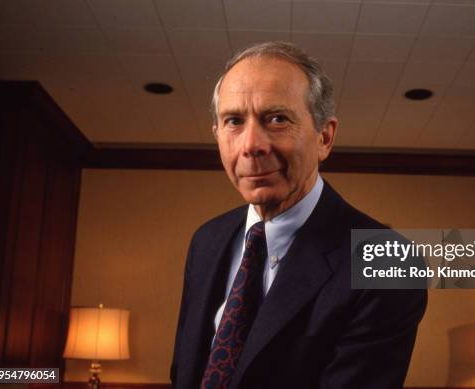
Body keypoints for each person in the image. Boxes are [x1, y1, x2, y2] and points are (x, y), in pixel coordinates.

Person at [170, 41, 427, 389]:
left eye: (276, 119)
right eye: (233, 121)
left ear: (324, 137)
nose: (250, 145)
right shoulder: (206, 240)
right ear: (217, 136)